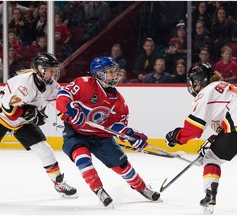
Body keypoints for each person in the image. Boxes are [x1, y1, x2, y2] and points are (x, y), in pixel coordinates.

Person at [0, 53, 77, 202]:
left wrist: (70, 115)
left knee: (44, 149)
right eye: (50, 70)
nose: (53, 73)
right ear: (39, 69)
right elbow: (8, 110)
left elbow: (61, 103)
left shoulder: (52, 86)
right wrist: (30, 113)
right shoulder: (23, 84)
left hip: (22, 122)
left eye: (54, 69)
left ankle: (59, 183)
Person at [55, 56, 160, 207]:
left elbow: (116, 126)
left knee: (122, 165)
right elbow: (63, 95)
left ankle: (141, 187)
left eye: (114, 72)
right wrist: (69, 109)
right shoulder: (84, 83)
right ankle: (98, 189)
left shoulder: (119, 101)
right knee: (82, 157)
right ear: (97, 74)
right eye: (109, 72)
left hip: (101, 137)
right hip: (76, 133)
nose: (114, 75)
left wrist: (130, 135)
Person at [164, 62, 237, 213]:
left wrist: (175, 137)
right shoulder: (224, 87)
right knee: (213, 154)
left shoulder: (206, 92)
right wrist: (216, 138)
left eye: (192, 81)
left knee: (211, 159)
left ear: (198, 80)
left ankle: (210, 194)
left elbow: (194, 130)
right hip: (232, 128)